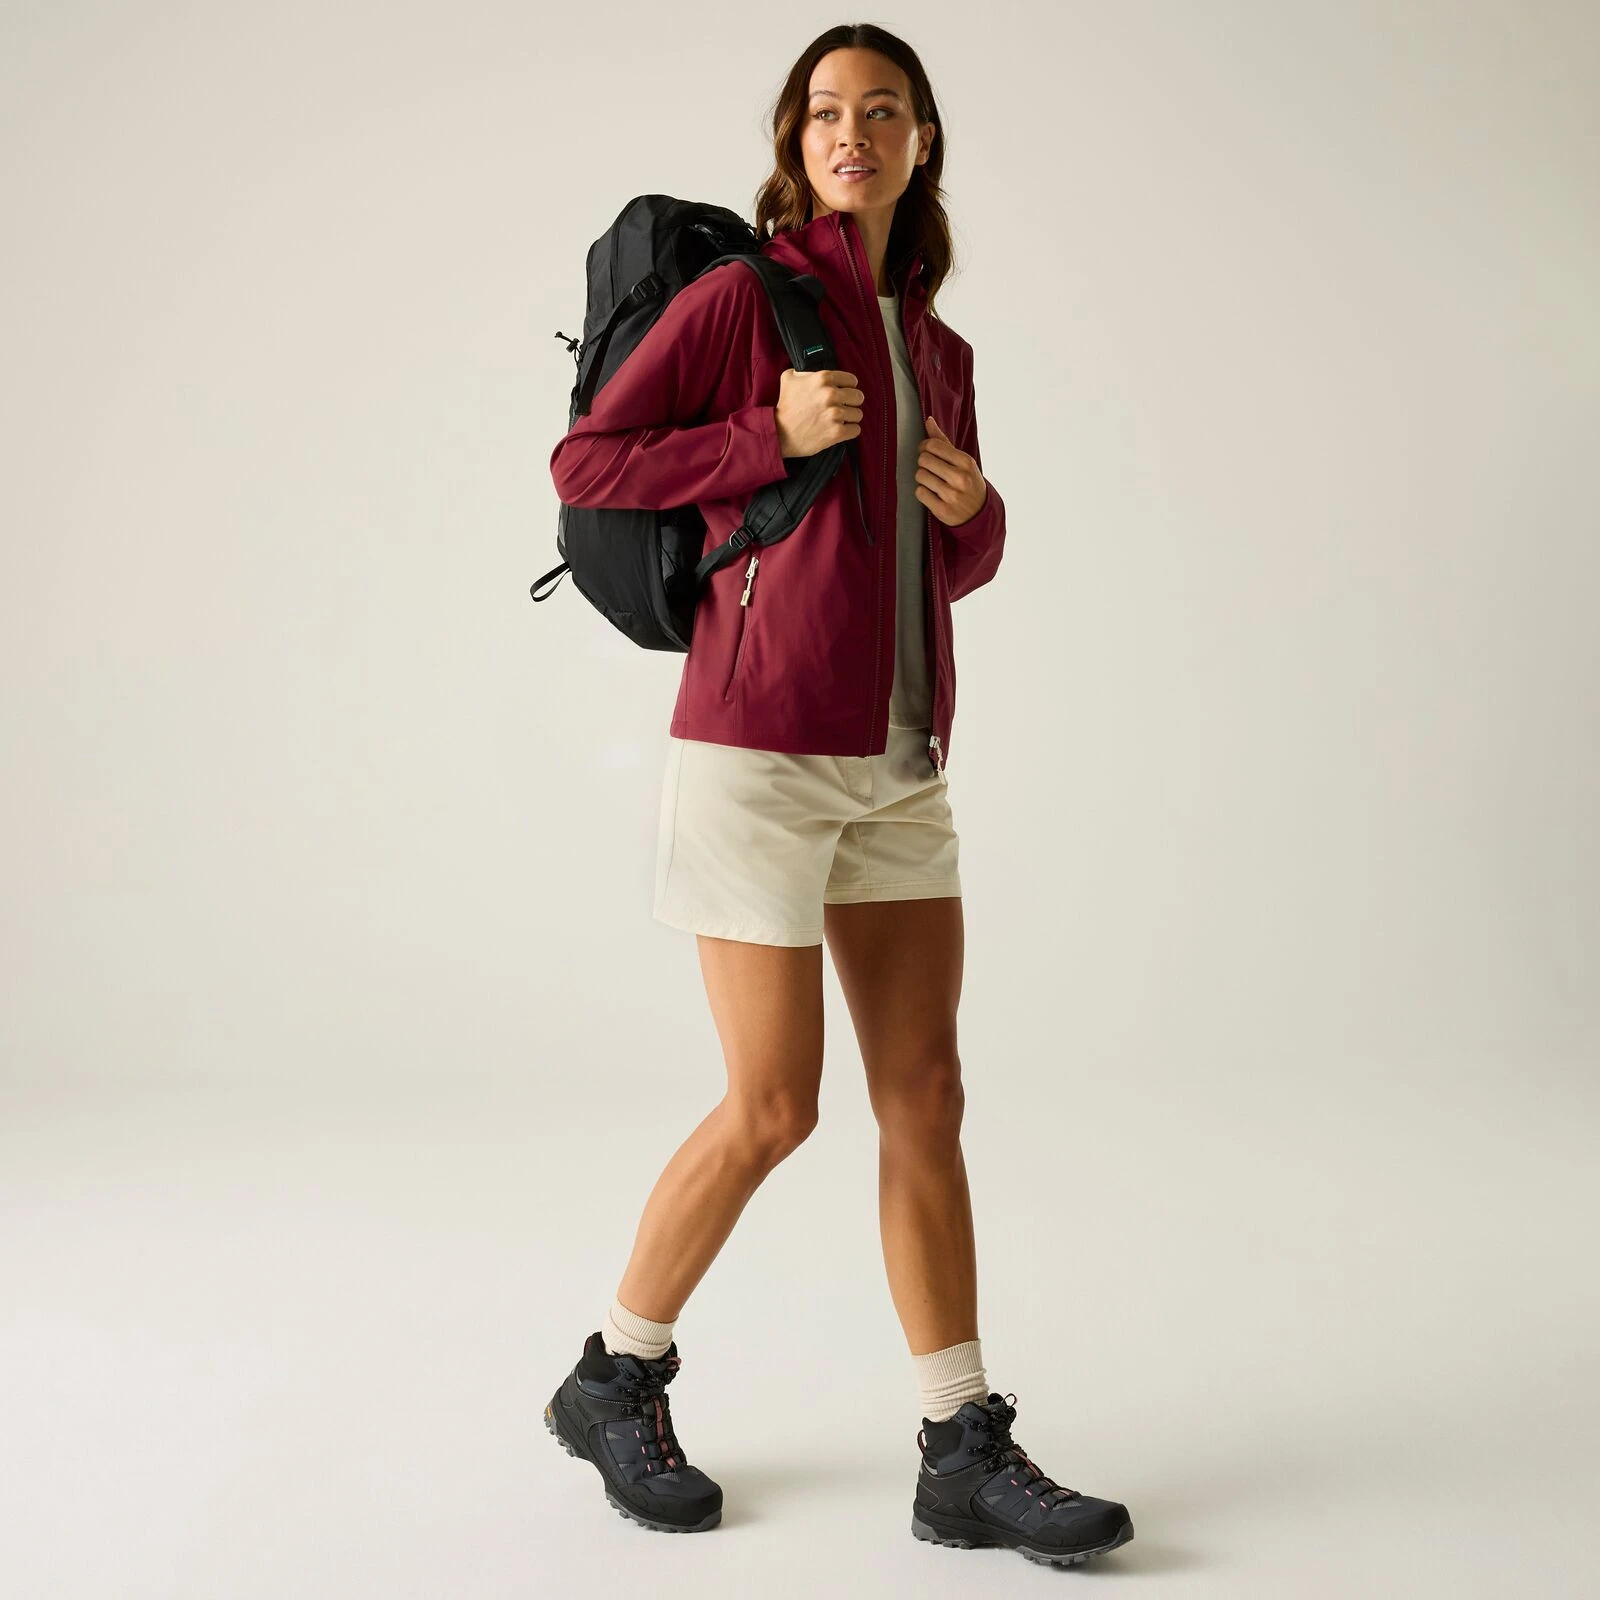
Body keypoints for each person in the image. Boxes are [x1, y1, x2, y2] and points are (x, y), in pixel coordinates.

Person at [542, 23, 1134, 1568]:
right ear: (795, 142)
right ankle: (614, 1377)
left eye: (882, 109)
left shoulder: (941, 351)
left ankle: (960, 1445)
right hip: (754, 755)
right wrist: (766, 432)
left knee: (926, 1096)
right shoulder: (747, 301)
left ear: (922, 139)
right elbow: (589, 463)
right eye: (825, 111)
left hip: (899, 766)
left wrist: (979, 512)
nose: (851, 130)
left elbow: (936, 564)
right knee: (775, 1105)